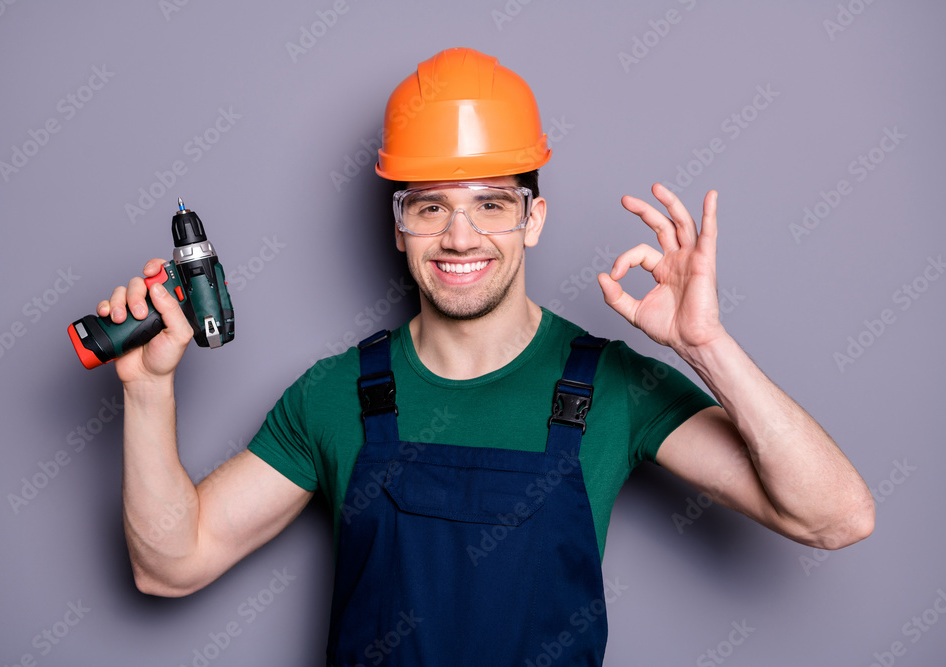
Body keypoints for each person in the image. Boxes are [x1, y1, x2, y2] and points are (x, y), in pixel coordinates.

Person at [98, 47, 874, 665]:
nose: (460, 236)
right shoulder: (333, 393)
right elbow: (171, 565)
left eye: (491, 204)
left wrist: (707, 347)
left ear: (533, 218)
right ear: (398, 225)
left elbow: (835, 516)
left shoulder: (615, 386)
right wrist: (147, 388)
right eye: (430, 205)